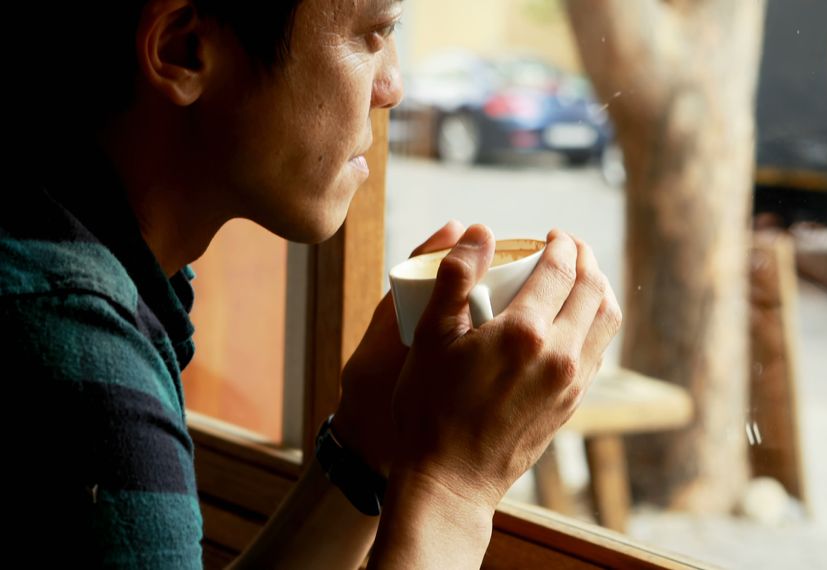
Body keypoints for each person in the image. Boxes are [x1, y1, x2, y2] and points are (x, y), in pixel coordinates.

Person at [4, 0, 622, 568]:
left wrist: (365, 446)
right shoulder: (68, 350)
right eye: (372, 34)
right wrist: (453, 489)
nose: (393, 85)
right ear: (184, 51)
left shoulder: (61, 241)